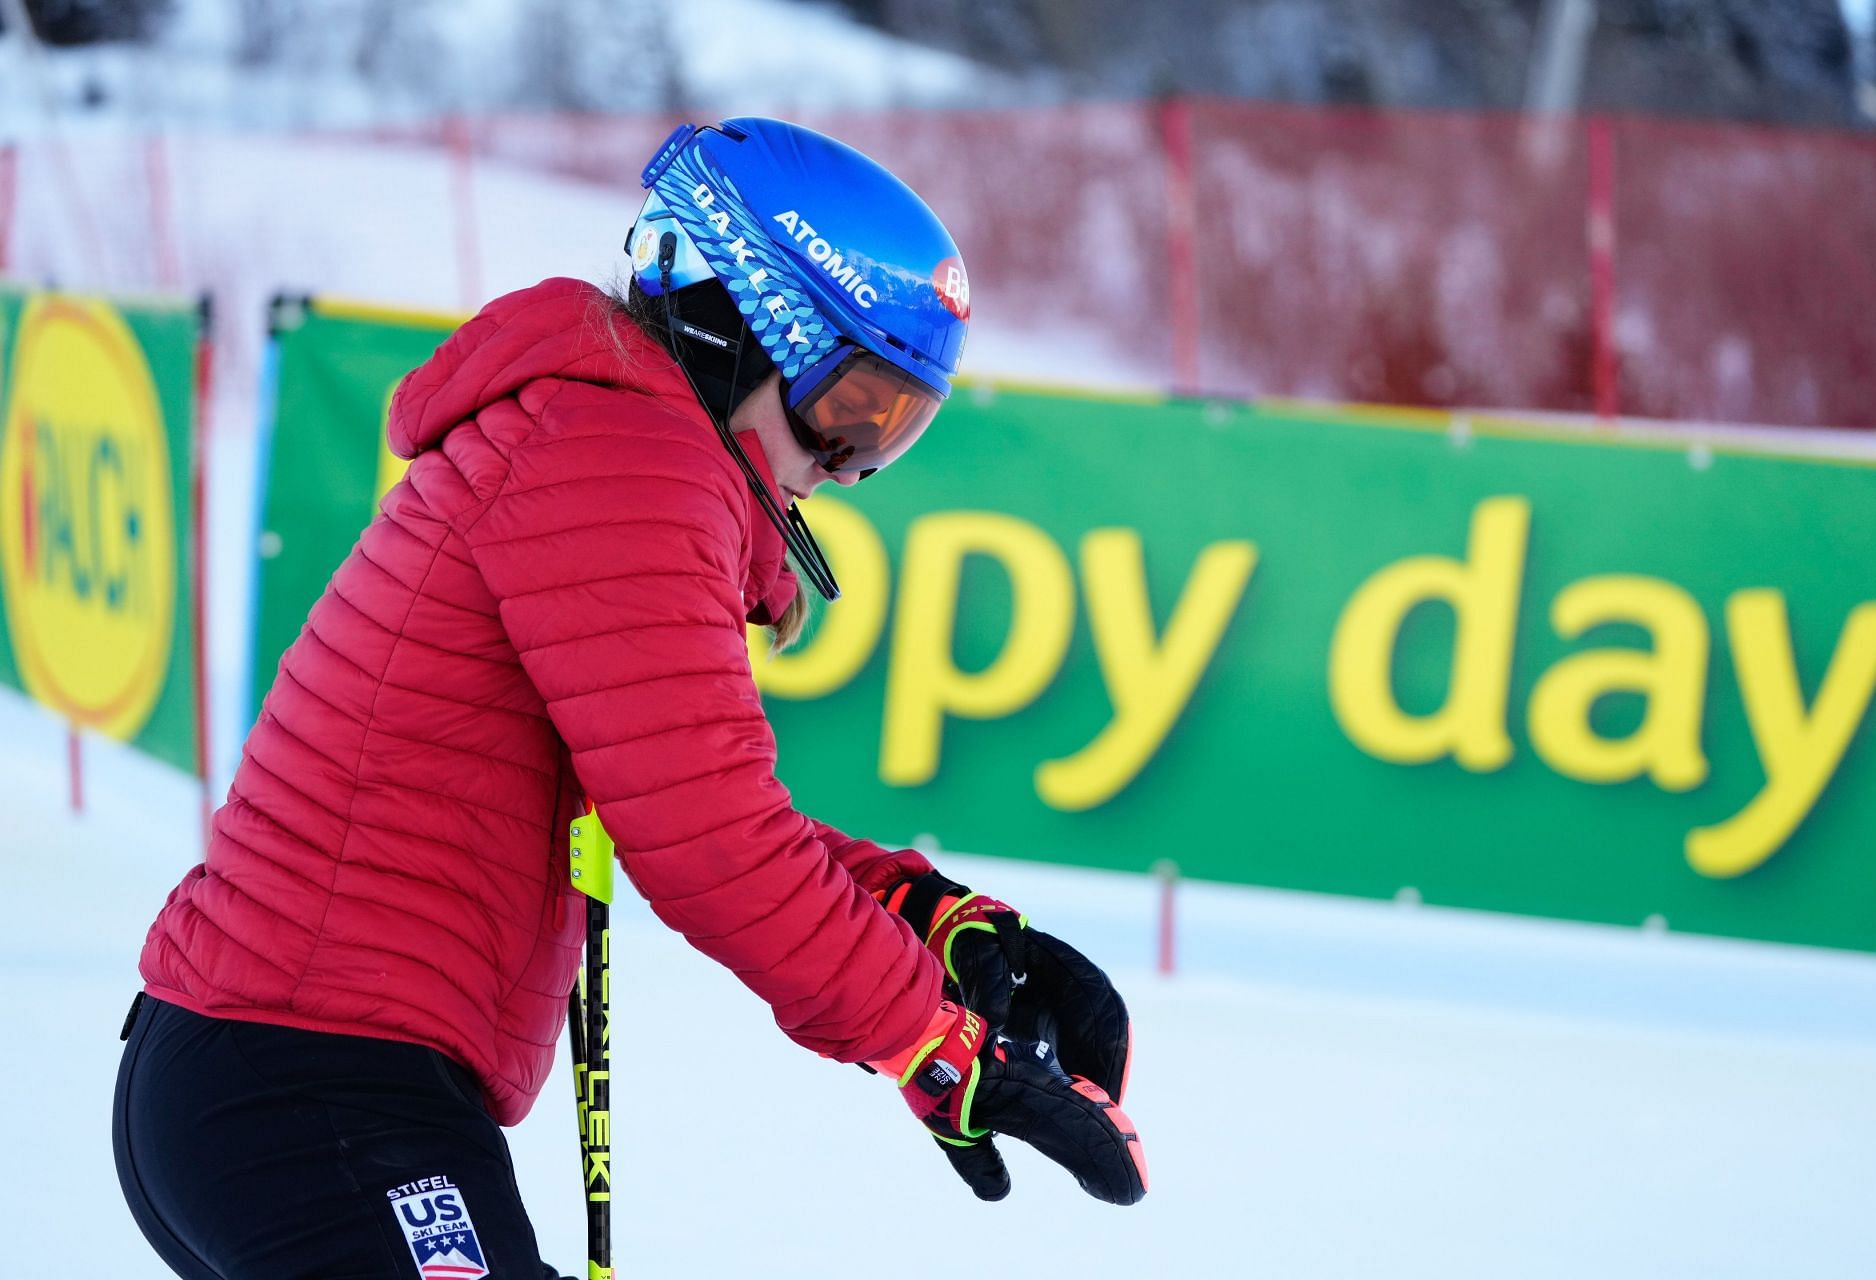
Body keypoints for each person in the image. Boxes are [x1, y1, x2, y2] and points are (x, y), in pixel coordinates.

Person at [114, 117, 1147, 1280]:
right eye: (850, 406)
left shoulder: (609, 443)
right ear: (738, 320)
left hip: (295, 1085)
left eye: (896, 431)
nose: (849, 465)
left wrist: (926, 918)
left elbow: (688, 790)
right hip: (309, 1088)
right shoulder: (618, 457)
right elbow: (712, 845)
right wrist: (931, 1041)